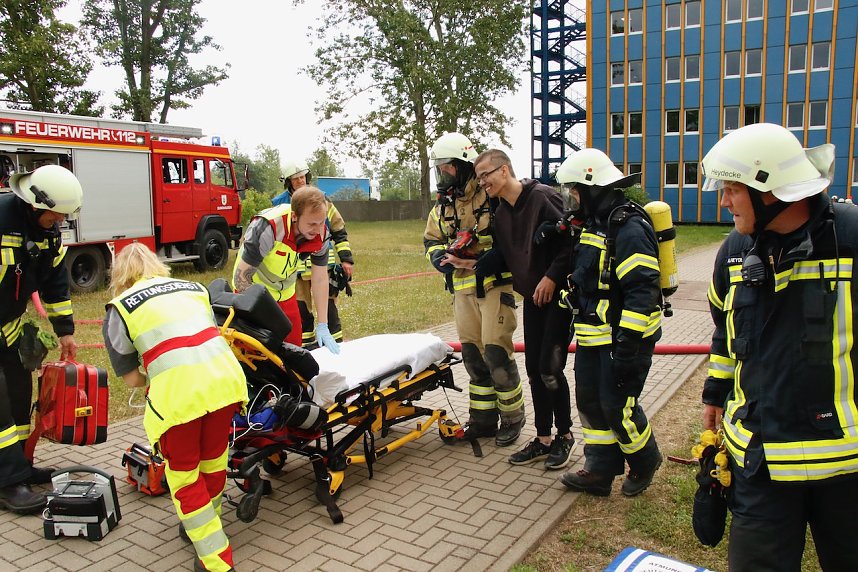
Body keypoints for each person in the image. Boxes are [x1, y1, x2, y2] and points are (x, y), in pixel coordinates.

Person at [700, 122, 858, 570]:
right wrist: (715, 393)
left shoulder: (850, 238)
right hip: (759, 464)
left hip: (846, 466)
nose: (724, 201)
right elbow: (725, 332)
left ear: (769, 191)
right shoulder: (734, 251)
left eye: (732, 189)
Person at [102, 243, 247, 572]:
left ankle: (216, 561)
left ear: (119, 275)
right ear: (156, 264)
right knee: (213, 465)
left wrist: (155, 375)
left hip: (180, 400)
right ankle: (204, 526)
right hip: (225, 384)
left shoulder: (120, 308)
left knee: (184, 479)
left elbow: (131, 378)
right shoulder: (193, 288)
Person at [553, 148, 663, 497]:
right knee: (590, 402)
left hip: (623, 339)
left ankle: (645, 460)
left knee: (618, 406)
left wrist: (628, 346)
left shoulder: (629, 228)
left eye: (575, 191)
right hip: (593, 335)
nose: (572, 198)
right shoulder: (595, 223)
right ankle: (599, 471)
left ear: (593, 189)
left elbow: (642, 291)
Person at [473, 148, 576, 470]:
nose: (482, 183)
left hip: (558, 298)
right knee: (534, 370)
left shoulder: (543, 197)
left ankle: (565, 436)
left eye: (485, 175)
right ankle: (543, 439)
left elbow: (573, 241)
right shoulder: (502, 214)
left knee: (550, 369)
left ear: (504, 170)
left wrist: (552, 277)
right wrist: (472, 262)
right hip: (532, 299)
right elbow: (509, 255)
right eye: (478, 179)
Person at [423, 133, 526, 447]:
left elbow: (513, 237)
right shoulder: (443, 206)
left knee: (496, 353)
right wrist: (438, 257)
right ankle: (482, 420)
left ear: (464, 165)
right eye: (440, 168)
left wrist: (486, 256)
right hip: (462, 290)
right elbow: (431, 240)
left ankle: (513, 418)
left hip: (495, 285)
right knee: (473, 357)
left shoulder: (491, 196)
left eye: (448, 166)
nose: (443, 173)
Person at [0, 165, 81, 514]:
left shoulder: (48, 234)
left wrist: (65, 331)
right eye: (56, 214)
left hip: (8, 330)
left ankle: (20, 465)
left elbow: (55, 284)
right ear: (35, 204)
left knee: (20, 395)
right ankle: (7, 484)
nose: (60, 221)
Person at [232, 186, 340, 353]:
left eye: (321, 222)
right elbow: (242, 279)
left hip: (286, 293)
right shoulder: (268, 227)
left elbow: (319, 278)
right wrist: (261, 315)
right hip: (253, 291)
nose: (318, 229)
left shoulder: (321, 233)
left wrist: (323, 325)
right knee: (257, 350)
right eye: (312, 224)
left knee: (293, 348)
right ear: (294, 216)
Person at [272, 159, 354, 348]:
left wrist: (346, 259)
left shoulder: (321, 199)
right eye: (296, 179)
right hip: (295, 269)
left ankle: (335, 343)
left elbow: (338, 229)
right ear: (288, 182)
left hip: (324, 264)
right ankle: (306, 348)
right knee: (301, 310)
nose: (300, 181)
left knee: (329, 308)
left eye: (302, 177)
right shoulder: (278, 204)